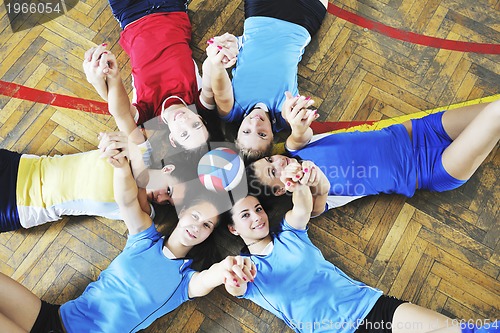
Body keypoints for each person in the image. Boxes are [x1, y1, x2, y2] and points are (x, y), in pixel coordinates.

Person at [0, 146, 256, 333]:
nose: (197, 226)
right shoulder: (144, 240)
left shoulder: (185, 281)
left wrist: (226, 269)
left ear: (209, 234)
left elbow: (208, 279)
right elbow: (126, 201)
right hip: (55, 317)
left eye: (207, 225)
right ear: (183, 212)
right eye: (196, 215)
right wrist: (122, 168)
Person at [223, 183, 496, 333]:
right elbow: (234, 287)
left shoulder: (290, 234)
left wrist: (298, 181)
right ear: (233, 229)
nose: (258, 217)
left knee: (464, 331)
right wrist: (235, 273)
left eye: (257, 209)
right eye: (246, 215)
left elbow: (303, 206)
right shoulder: (247, 271)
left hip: (372, 306)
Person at [246, 99, 500, 216]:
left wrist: (296, 120)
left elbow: (299, 133)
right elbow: (314, 205)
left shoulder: (296, 149)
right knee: (495, 113)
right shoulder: (308, 198)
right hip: (435, 168)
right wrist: (311, 182)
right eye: (272, 172)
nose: (278, 163)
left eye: (270, 160)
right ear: (280, 191)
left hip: (423, 130)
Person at [82, 0, 236, 151]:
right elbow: (211, 70)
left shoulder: (148, 118)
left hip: (131, 14)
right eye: (196, 125)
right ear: (200, 119)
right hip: (172, 7)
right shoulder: (198, 101)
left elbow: (120, 112)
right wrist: (218, 54)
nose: (184, 120)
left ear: (173, 140)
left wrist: (110, 77)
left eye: (183, 134)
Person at [205, 0, 326, 161]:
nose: (255, 124)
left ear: (238, 131)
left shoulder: (232, 111)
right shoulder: (283, 117)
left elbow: (220, 90)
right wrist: (298, 128)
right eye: (262, 134)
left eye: (246, 131)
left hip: (260, 12)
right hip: (302, 20)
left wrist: (218, 65)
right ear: (272, 137)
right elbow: (303, 134)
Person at [0, 132, 192, 233]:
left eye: (167, 201)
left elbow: (141, 189)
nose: (161, 198)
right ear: (168, 169)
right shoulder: (142, 150)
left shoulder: (142, 211)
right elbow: (121, 114)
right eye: (168, 190)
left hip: (20, 207)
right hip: (23, 166)